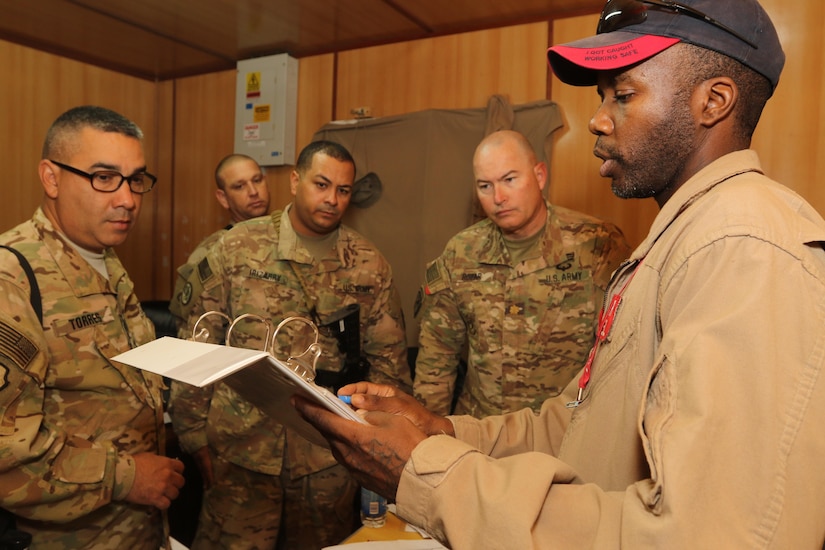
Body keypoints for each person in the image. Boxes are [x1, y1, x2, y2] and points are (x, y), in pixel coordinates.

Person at [293, 1, 825, 548]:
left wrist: (426, 474)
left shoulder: (742, 245)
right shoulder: (684, 240)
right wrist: (442, 430)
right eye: (602, 96)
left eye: (623, 94)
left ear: (713, 101)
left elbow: (702, 534)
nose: (597, 117)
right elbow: (575, 426)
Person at [169, 140, 413, 549]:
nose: (332, 199)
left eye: (343, 190)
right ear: (295, 181)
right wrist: (194, 438)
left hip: (328, 457)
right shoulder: (236, 247)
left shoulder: (370, 264)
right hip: (240, 451)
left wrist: (375, 450)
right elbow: (197, 341)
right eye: (321, 184)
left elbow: (388, 367)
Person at [0, 105, 185, 548]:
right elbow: (7, 451)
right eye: (104, 177)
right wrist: (127, 477)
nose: (127, 199)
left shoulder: (106, 263)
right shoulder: (12, 279)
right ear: (51, 177)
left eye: (136, 179)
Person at [413, 129, 629, 417]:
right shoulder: (461, 252)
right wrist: (429, 438)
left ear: (539, 176)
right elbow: (436, 359)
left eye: (509, 180)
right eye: (484, 186)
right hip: (482, 433)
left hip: (562, 432)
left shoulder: (597, 244)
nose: (498, 197)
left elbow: (623, 350)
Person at [170, 153, 271, 327]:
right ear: (223, 198)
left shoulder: (287, 240)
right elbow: (193, 326)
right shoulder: (212, 251)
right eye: (239, 186)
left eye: (257, 180)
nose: (254, 192)